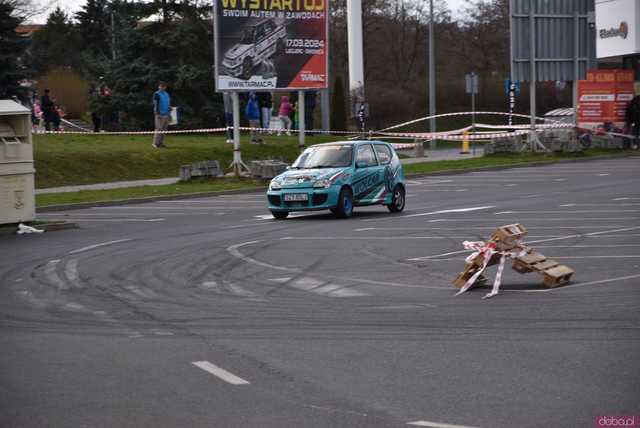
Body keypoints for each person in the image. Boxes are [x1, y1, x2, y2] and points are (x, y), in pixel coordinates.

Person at [152, 82, 171, 148]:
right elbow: (155, 104)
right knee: (159, 129)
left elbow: (168, 103)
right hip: (159, 114)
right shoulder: (156, 94)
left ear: (165, 87)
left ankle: (161, 143)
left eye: (163, 86)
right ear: (159, 87)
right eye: (160, 86)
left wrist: (169, 109)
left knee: (164, 129)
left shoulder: (166, 94)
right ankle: (155, 143)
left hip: (166, 114)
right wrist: (157, 113)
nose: (162, 87)